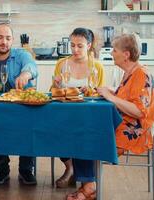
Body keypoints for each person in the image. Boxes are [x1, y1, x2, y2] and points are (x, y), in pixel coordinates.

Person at [65, 33, 154, 200]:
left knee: (83, 136)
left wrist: (110, 97)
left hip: (133, 132)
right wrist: (107, 91)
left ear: (126, 54)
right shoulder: (130, 72)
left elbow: (139, 111)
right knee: (78, 129)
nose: (112, 53)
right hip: (120, 123)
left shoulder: (141, 74)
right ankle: (88, 184)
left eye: (114, 50)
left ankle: (89, 187)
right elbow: (127, 98)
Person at [0, 23, 38, 185]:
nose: (4, 42)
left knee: (30, 123)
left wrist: (26, 73)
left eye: (8, 38)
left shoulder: (21, 55)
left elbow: (32, 66)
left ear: (12, 40)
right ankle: (1, 168)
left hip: (22, 108)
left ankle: (26, 169)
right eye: (0, 37)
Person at [52, 28, 105, 188]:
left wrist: (91, 91)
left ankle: (86, 182)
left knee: (84, 134)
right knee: (52, 130)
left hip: (88, 116)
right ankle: (70, 167)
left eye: (80, 46)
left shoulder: (96, 67)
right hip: (64, 114)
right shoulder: (62, 64)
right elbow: (53, 93)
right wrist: (56, 85)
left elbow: (100, 96)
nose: (75, 49)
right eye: (72, 45)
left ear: (88, 45)